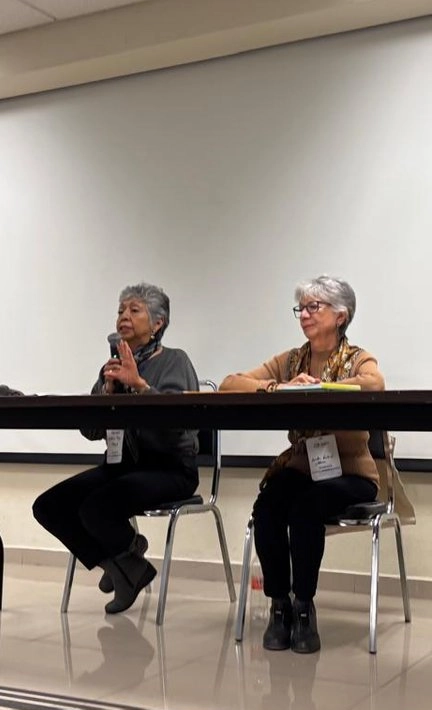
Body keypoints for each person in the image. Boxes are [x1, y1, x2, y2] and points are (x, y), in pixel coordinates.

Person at [220, 276, 384, 654]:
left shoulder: (358, 357)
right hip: (302, 467)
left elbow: (374, 385)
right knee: (268, 506)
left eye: (315, 308)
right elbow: (231, 383)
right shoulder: (291, 359)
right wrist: (277, 387)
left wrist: (321, 390)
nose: (305, 315)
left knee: (307, 507)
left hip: (352, 474)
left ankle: (304, 605)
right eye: (302, 308)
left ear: (341, 316)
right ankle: (279, 604)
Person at [33, 282, 199, 614]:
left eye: (134, 310)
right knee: (49, 506)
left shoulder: (175, 361)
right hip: (121, 467)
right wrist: (104, 395)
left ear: (157, 324)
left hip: (169, 468)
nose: (124, 316)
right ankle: (125, 562)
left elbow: (179, 426)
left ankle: (125, 564)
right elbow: (91, 431)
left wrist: (140, 387)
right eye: (120, 310)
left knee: (97, 506)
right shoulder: (111, 367)